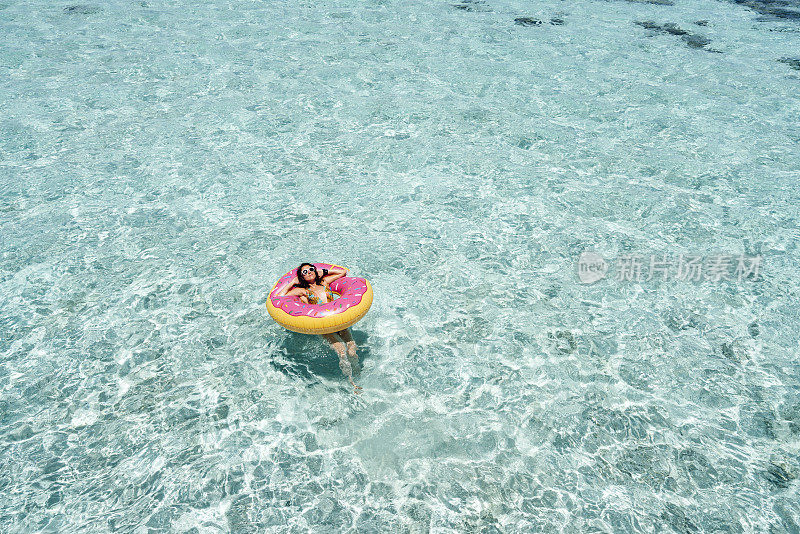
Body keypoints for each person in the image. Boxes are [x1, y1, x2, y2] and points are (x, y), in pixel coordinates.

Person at [276, 263, 362, 394]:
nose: (309, 272)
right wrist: (293, 281)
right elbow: (281, 295)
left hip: (339, 321)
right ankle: (352, 383)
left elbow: (342, 272)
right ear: (301, 277)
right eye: (304, 272)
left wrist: (322, 271)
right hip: (324, 326)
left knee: (351, 348)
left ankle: (357, 373)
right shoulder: (303, 291)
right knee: (342, 352)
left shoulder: (325, 282)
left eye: (311, 269)